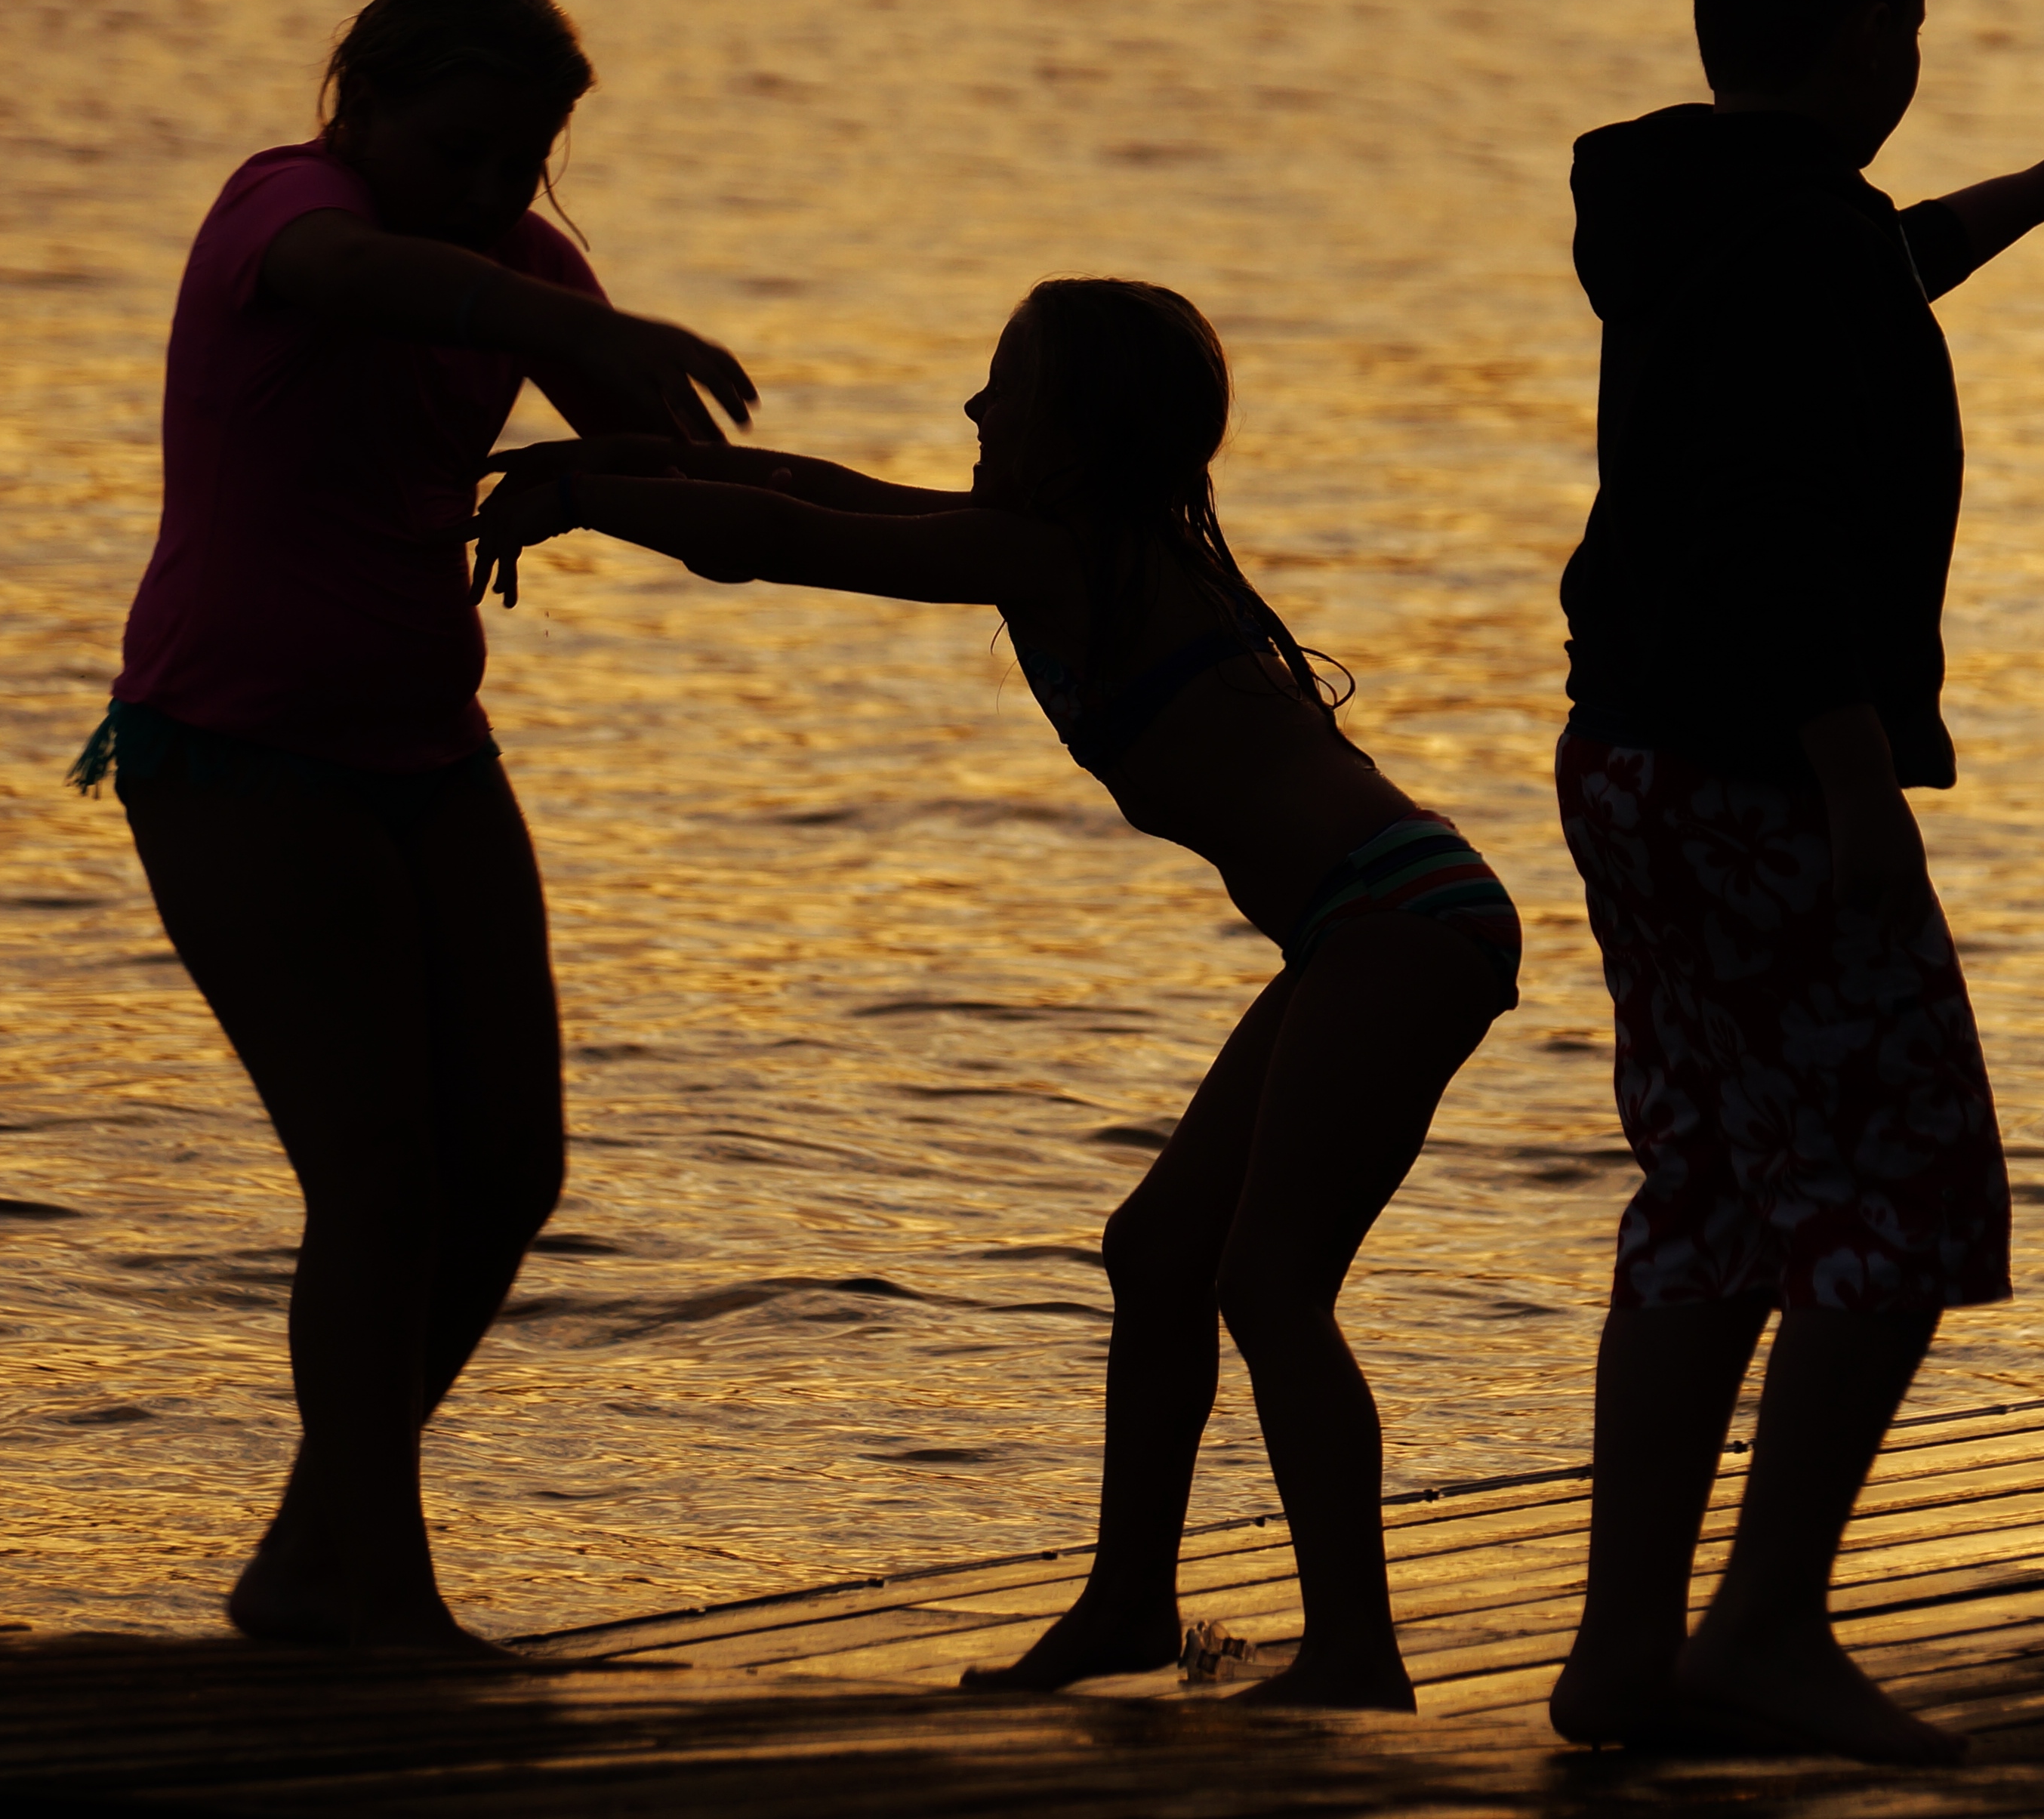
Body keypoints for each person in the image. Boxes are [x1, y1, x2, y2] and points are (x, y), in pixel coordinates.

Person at [461, 279, 1518, 1712]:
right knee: (1161, 1254)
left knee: (1269, 1283)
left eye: (1005, 385)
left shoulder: (1066, 559)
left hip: (1402, 920)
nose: (974, 405)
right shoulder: (1071, 547)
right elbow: (814, 488)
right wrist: (612, 459)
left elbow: (791, 539)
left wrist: (591, 506)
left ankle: (1356, 1655)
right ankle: (1129, 1606)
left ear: (1077, 430)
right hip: (1374, 921)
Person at [1540, 0, 2044, 1765]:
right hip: (1765, 767)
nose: (1916, 53)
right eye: (1908, 20)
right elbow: (1781, 515)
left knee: (1709, 1187)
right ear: (1849, 35)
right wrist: (1852, 775)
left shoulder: (1687, 204)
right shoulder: (1804, 239)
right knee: (1906, 1187)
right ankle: (1764, 1623)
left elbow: (1867, 268)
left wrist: (2039, 192)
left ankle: (1622, 1650)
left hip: (1629, 753)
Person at [70, 0, 757, 1650]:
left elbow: (695, 490)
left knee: (507, 1169)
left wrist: (634, 477)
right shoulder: (285, 205)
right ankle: (371, 1577)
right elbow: (357, 274)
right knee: (378, 1177)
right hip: (235, 751)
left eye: (524, 163)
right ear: (359, 104)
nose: (493, 193)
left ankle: (321, 1545)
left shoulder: (525, 270)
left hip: (429, 753)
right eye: (460, 150)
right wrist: (559, 323)